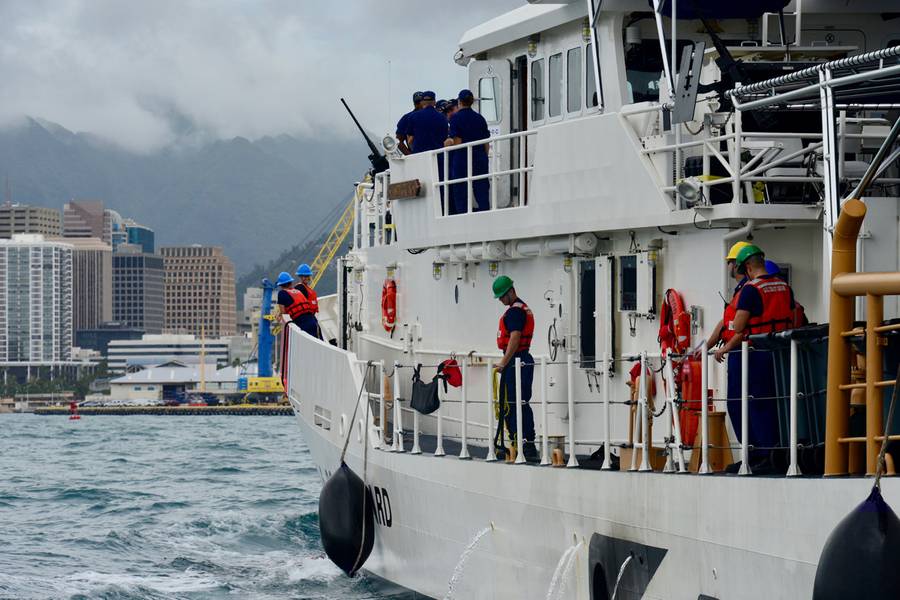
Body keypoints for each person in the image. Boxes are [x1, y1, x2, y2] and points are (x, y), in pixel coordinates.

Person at [714, 244, 797, 471]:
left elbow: (739, 325)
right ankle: (774, 452)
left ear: (748, 267)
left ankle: (758, 455)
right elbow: (793, 314)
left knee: (745, 404)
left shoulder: (752, 289)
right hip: (780, 353)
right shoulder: (784, 286)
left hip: (753, 354)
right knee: (773, 403)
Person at [492, 275, 539, 462]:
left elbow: (515, 337)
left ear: (511, 291)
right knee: (520, 402)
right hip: (521, 360)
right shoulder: (520, 309)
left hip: (516, 361)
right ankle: (523, 443)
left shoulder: (514, 312)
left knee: (514, 403)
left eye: (503, 296)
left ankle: (521, 444)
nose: (502, 300)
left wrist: (504, 362)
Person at [444, 89, 491, 214]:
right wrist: (483, 157)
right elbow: (486, 143)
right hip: (480, 158)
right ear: (471, 102)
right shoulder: (480, 118)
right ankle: (485, 213)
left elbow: (457, 141)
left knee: (460, 190)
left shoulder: (456, 118)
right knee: (481, 189)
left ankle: (463, 215)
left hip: (462, 159)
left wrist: (446, 144)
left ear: (459, 102)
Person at [705, 241, 751, 352]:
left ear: (736, 264)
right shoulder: (742, 289)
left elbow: (744, 328)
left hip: (743, 351)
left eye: (728, 262)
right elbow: (725, 322)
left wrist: (725, 348)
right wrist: (705, 347)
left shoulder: (747, 289)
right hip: (739, 349)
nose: (728, 266)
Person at [292, 263, 322, 339]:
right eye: (303, 276)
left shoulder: (306, 288)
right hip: (305, 320)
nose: (305, 278)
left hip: (310, 318)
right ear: (300, 277)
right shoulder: (300, 288)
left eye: (307, 276)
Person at [395, 92, 423, 156]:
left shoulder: (432, 115)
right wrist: (410, 155)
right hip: (415, 155)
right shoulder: (406, 118)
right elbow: (398, 141)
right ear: (414, 103)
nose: (419, 105)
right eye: (417, 102)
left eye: (421, 102)